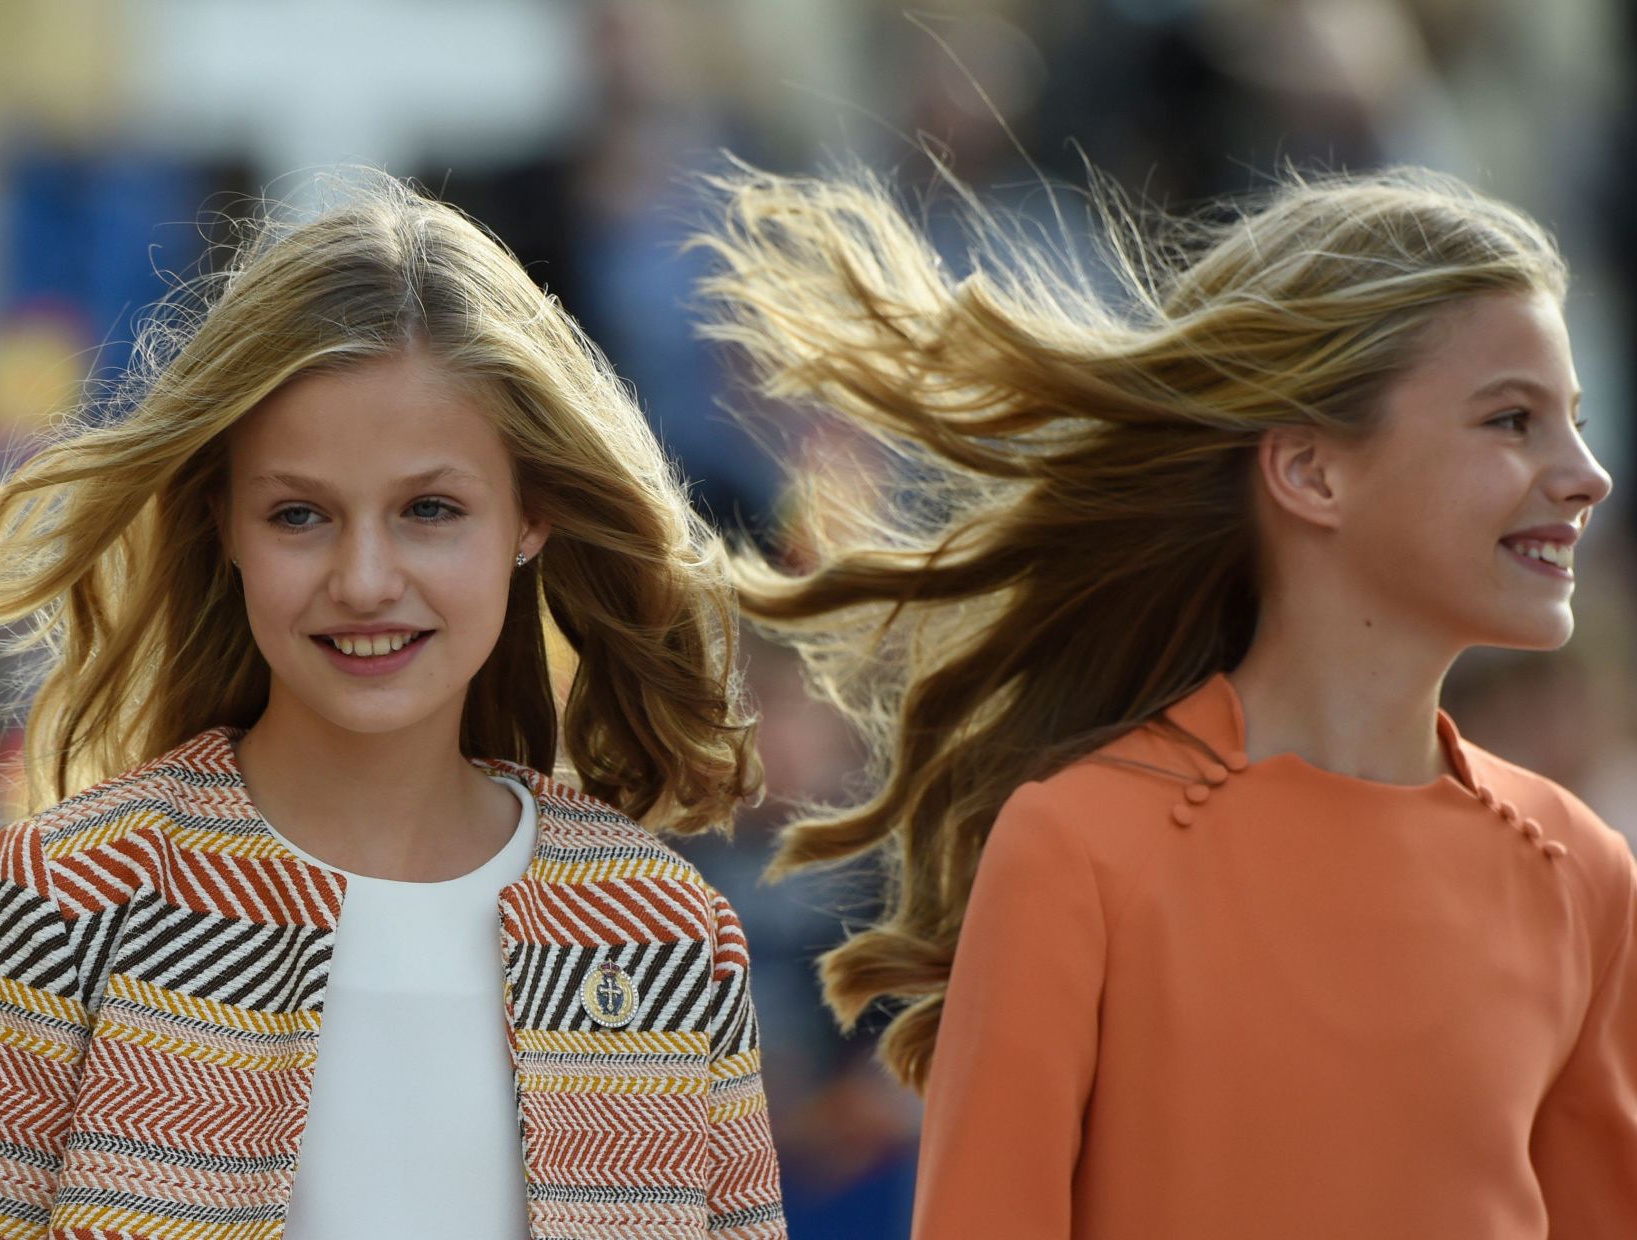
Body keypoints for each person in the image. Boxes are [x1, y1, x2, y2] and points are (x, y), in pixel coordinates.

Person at [694, 164, 1633, 1238]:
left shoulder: (1584, 876)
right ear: (1312, 472)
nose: (1588, 472)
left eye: (1576, 419)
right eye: (1513, 419)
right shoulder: (1079, 850)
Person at [0, 173, 787, 1239]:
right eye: (300, 513)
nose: (363, 579)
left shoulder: (666, 933)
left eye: (430, 510)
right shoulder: (69, 904)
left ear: (531, 513)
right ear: (223, 522)